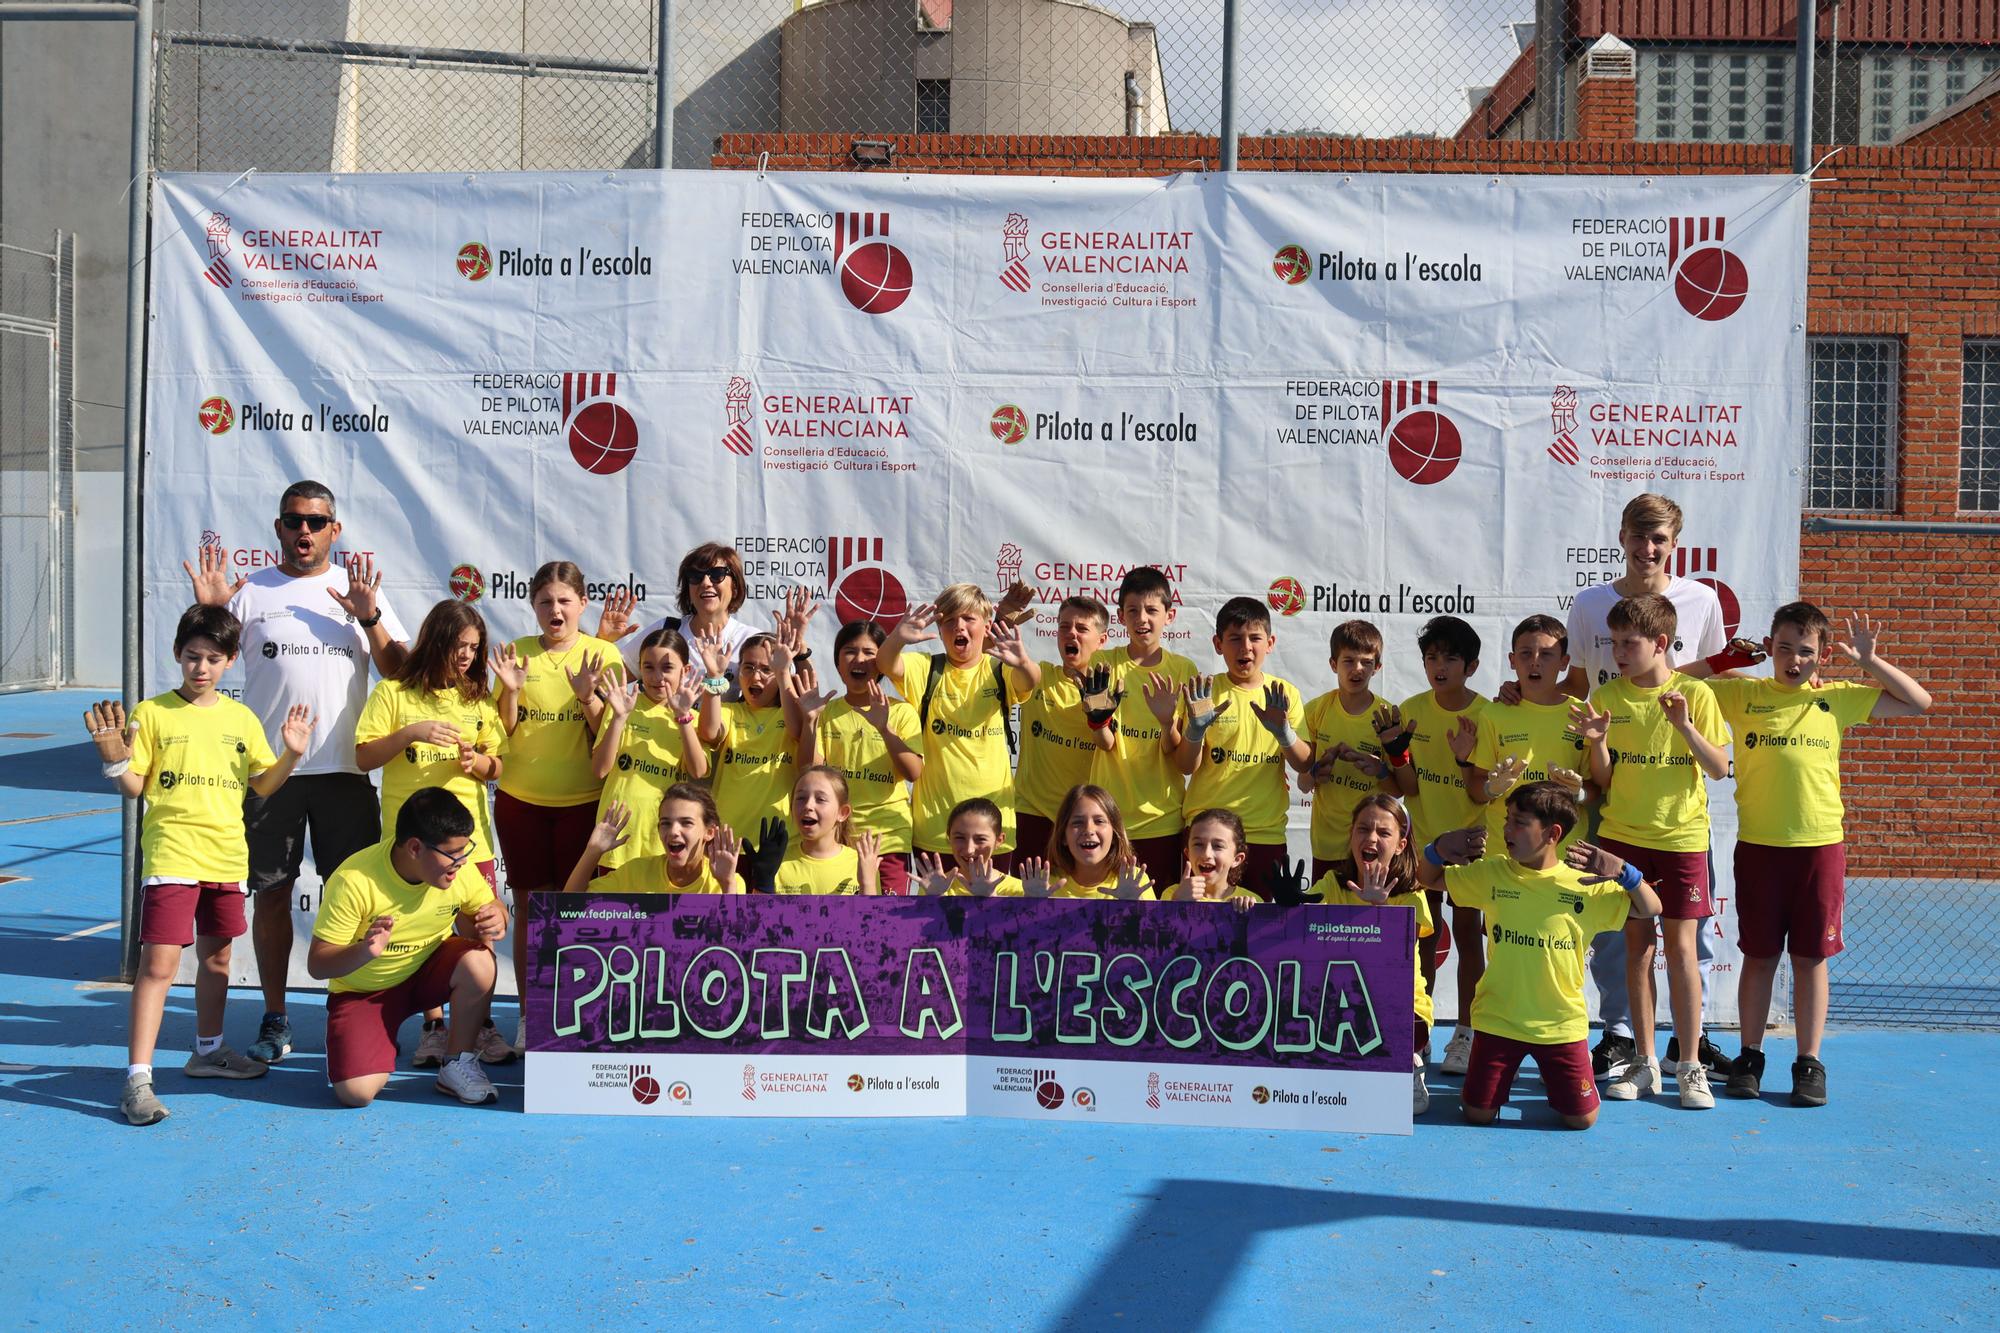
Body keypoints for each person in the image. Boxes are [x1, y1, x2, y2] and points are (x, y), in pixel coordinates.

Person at [183, 479, 408, 1067]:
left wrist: (373, 617)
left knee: (354, 899)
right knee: (274, 896)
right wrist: (210, 610)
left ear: (335, 529)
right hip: (269, 774)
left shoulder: (358, 592)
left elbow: (400, 671)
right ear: (278, 528)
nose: (302, 530)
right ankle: (276, 1017)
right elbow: (201, 658)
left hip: (344, 774)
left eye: (314, 521)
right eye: (291, 521)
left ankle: (352, 1012)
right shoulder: (251, 591)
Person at [85, 605, 312, 1125]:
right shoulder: (153, 713)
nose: (201, 667)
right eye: (192, 657)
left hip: (227, 858)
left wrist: (291, 755)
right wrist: (115, 759)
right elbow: (134, 786)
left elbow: (262, 785)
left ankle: (207, 1052)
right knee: (159, 968)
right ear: (177, 656)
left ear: (230, 660)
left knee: (217, 962)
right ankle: (137, 1079)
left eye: (212, 658)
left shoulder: (241, 719)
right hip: (172, 856)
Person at [1710, 606, 1931, 1107]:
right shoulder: (1744, 694)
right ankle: (1749, 1056)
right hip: (1760, 847)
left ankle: (1808, 1062)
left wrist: (1870, 661)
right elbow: (1670, 682)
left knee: (1810, 958)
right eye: (1784, 647)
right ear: (1770, 646)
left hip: (1819, 847)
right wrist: (1726, 660)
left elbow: (1918, 702)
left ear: (1824, 656)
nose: (1793, 659)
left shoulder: (1838, 699)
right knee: (1760, 955)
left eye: (1806, 650)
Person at [1557, 493, 1743, 1082]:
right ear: (1622, 538)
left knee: (1688, 941)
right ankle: (1622, 1039)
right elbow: (1578, 684)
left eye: (1659, 540)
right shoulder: (1590, 606)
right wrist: (1522, 692)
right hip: (1618, 810)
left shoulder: (1701, 601)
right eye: (1639, 539)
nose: (1648, 550)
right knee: (1623, 937)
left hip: (1681, 820)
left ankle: (1692, 1045)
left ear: (1673, 543)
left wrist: (1691, 722)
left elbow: (1718, 679)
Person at [1420, 783, 1662, 1130]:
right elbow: (1427, 878)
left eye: (1519, 822)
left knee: (1582, 1120)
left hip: (1561, 1026)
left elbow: (1651, 907)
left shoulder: (1584, 883)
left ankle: (1556, 1082)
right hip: (1498, 1021)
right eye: (1506, 820)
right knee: (1477, 1114)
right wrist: (1438, 848)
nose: (1506, 830)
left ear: (1553, 833)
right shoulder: (1493, 873)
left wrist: (1624, 872)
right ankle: (1502, 1082)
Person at [1571, 593, 1731, 1108]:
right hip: (1623, 839)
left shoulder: (1696, 695)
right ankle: (1644, 1064)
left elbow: (1719, 768)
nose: (1617, 652)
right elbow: (1603, 780)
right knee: (1636, 952)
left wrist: (1684, 725)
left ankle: (1689, 1065)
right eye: (1613, 642)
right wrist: (1596, 742)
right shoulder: (1609, 698)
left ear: (1660, 643)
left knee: (1683, 952)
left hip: (1681, 840)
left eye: (1628, 643)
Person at [353, 598, 512, 1067]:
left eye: (473, 648)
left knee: (478, 933)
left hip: (471, 843)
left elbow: (497, 762)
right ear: (436, 640)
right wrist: (410, 734)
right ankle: (433, 1027)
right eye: (458, 645)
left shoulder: (476, 697)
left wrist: (478, 763)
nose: (465, 656)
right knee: (424, 934)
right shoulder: (394, 693)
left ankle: (479, 1026)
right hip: (414, 846)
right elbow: (363, 757)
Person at [307, 787, 508, 1108]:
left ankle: (457, 1062)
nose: (462, 861)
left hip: (426, 978)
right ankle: (358, 1042)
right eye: (454, 853)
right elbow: (317, 965)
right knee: (355, 1094)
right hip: (365, 993)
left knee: (480, 962)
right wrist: (364, 951)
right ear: (415, 847)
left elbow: (493, 905)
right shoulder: (353, 880)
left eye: (465, 849)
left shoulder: (457, 869)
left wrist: (498, 917)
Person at [489, 560, 617, 1051]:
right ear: (533, 607)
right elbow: (504, 729)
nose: (555, 610)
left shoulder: (603, 654)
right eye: (545, 602)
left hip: (584, 804)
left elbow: (609, 735)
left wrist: (589, 700)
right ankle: (529, 1014)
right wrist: (513, 693)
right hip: (521, 803)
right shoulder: (515, 654)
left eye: (565, 600)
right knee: (531, 910)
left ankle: (583, 1014)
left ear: (584, 604)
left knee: (582, 912)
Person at [1380, 614, 1490, 1076]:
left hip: (1470, 846)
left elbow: (1479, 790)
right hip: (1422, 847)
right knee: (1421, 941)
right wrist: (1394, 751)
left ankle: (1466, 1034)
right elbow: (1408, 787)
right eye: (1431, 658)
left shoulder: (1487, 715)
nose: (1439, 666)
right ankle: (1418, 1032)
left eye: (1450, 658)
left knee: (1468, 939)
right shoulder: (1411, 709)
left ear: (1472, 665)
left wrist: (1466, 759)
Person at [880, 585, 1041, 866]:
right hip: (935, 828)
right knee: (934, 911)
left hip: (992, 831)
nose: (959, 627)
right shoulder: (927, 668)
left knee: (991, 910)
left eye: (968, 619)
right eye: (950, 620)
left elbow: (1031, 680)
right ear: (940, 628)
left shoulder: (998, 668)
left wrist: (1024, 661)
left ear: (987, 626)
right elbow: (885, 663)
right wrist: (898, 638)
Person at [1302, 795, 1434, 1114]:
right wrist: (1288, 905)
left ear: (1401, 845)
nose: (1371, 838)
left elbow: (1396, 952)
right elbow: (1301, 926)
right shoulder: (1333, 882)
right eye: (1363, 829)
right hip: (1339, 1000)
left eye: (1383, 833)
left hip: (1398, 1004)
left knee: (1406, 1029)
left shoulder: (1412, 893)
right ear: (1350, 836)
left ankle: (1411, 1061)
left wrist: (1379, 910)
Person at [1174, 598, 1313, 896]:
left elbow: (1304, 764)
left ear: (1270, 642)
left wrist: (1284, 733)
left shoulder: (1284, 693)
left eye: (1255, 638)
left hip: (1263, 834)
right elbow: (1185, 766)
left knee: (1260, 932)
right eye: (1235, 638)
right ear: (1218, 643)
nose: (1245, 647)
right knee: (1197, 925)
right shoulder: (1205, 692)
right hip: (1206, 836)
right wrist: (1196, 729)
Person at [1088, 567, 1198, 886]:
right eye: (1133, 610)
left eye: (1151, 610)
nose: (1142, 619)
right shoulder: (1103, 664)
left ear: (1169, 615)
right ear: (1120, 615)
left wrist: (1167, 723)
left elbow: (1174, 750)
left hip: (1161, 820)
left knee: (1159, 920)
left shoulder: (1182, 669)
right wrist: (1098, 720)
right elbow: (1105, 742)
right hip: (1109, 818)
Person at [797, 621, 924, 895]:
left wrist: (884, 728)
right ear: (838, 662)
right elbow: (810, 770)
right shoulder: (826, 712)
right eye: (850, 651)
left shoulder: (901, 712)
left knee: (890, 922)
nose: (859, 659)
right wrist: (809, 722)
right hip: (838, 837)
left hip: (889, 837)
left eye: (869, 652)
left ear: (882, 662)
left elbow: (914, 772)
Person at [1466, 615, 1590, 857]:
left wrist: (1579, 793)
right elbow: (1476, 787)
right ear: (1512, 661)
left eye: (1546, 654)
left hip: (1564, 849)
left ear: (1564, 662)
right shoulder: (1493, 713)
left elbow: (1596, 787)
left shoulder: (1581, 715)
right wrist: (1492, 788)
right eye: (1525, 653)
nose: (1535, 662)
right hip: (1503, 850)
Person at [591, 627, 708, 869]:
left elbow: (698, 771)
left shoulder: (692, 717)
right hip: (617, 836)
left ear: (685, 671)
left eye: (667, 668)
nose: (657, 677)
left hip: (664, 839)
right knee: (615, 907)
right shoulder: (623, 705)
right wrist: (619, 718)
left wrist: (683, 717)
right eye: (648, 667)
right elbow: (600, 770)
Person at [1013, 598, 1115, 866]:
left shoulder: (1109, 687)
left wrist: (1098, 721)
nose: (1071, 633)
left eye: (1082, 628)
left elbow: (1107, 745)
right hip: (1032, 812)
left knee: (1077, 901)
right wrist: (1019, 657)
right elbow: (1024, 671)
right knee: (1029, 903)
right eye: (1064, 627)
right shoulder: (1043, 675)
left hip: (1083, 817)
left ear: (1101, 640)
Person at [698, 630, 799, 889]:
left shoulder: (790, 716)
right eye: (748, 667)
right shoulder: (731, 711)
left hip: (777, 848)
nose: (756, 676)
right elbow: (709, 732)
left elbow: (799, 730)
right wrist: (714, 677)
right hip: (727, 846)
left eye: (767, 669)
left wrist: (784, 672)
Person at [603, 542, 775, 689]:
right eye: (696, 576)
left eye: (717, 575)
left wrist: (800, 653)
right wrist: (602, 640)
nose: (706, 583)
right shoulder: (666, 631)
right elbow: (603, 680)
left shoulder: (751, 640)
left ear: (735, 587)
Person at [1298, 620, 1393, 881]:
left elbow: (1399, 790)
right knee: (1325, 919)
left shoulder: (1387, 716)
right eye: (1348, 661)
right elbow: (1304, 783)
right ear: (1333, 664)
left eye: (1366, 662)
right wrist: (1316, 771)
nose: (1357, 669)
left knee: (1365, 918)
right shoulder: (1317, 710)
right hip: (1326, 844)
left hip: (1371, 844)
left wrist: (1380, 770)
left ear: (1378, 668)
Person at [565, 785, 748, 895]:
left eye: (686, 823)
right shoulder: (635, 872)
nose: (674, 831)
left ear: (709, 832)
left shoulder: (729, 881)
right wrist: (593, 851)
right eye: (665, 823)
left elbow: (735, 945)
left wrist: (727, 884)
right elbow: (567, 907)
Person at [1019, 784, 1155, 900]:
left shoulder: (1134, 881)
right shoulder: (1044, 883)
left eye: (1099, 821)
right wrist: (1031, 905)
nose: (1089, 830)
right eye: (1078, 822)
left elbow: (1154, 930)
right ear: (1063, 837)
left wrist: (1135, 905)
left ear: (1115, 834)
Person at [772, 766, 884, 895]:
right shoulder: (777, 862)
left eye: (820, 799)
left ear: (842, 813)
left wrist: (867, 884)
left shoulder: (861, 863)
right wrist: (763, 881)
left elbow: (870, 915)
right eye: (801, 798)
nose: (808, 805)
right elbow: (757, 914)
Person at [914, 798, 1025, 896]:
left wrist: (991, 898)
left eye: (980, 839)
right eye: (960, 838)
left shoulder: (1018, 891)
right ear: (949, 838)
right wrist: (936, 899)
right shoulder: (933, 887)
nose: (969, 850)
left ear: (999, 840)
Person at [1172, 808, 1261, 906]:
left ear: (1237, 859)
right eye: (1198, 844)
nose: (1206, 854)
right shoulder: (1173, 894)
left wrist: (1247, 914)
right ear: (1187, 853)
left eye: (1218, 846)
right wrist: (1176, 904)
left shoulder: (1253, 901)